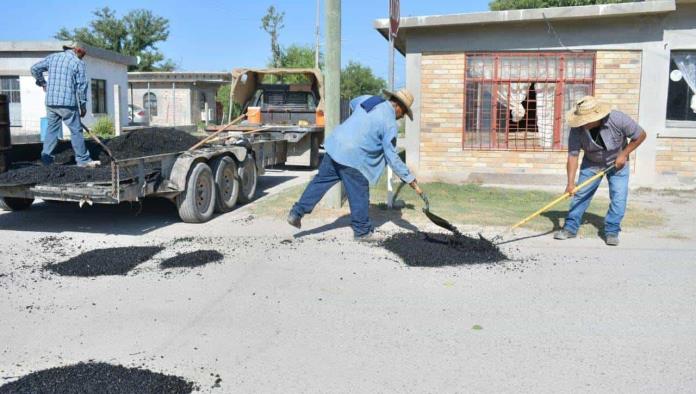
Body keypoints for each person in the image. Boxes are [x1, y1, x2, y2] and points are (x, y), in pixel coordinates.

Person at [287, 88, 424, 240]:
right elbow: (392, 157)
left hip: (336, 146)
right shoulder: (390, 124)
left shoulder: (370, 100)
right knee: (359, 193)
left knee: (319, 182)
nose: (401, 117)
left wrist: (361, 123)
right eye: (403, 114)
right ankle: (362, 232)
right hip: (355, 157)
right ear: (399, 107)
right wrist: (410, 179)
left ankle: (296, 213)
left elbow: (352, 104)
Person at [554, 96, 646, 246]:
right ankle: (570, 227)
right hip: (591, 164)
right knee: (581, 195)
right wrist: (570, 183)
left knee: (619, 197)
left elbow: (640, 135)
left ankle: (612, 230)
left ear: (597, 116)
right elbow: (573, 155)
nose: (583, 123)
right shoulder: (577, 129)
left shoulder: (617, 119)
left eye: (587, 120)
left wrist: (623, 154)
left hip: (618, 165)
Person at [31, 43, 99, 167]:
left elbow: (34, 69)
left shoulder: (53, 58)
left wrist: (43, 83)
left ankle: (46, 159)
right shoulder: (78, 63)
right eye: (82, 53)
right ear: (76, 50)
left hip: (51, 102)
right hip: (67, 103)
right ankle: (83, 160)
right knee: (76, 131)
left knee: (51, 130)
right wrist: (83, 106)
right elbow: (82, 86)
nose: (83, 56)